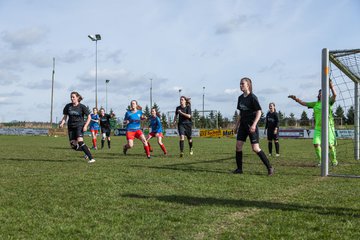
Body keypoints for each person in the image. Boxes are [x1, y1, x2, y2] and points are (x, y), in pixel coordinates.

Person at [288, 79, 337, 166]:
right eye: (320, 92)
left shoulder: (329, 102)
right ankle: (322, 161)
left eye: (323, 92)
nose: (321, 93)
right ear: (318, 95)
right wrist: (295, 99)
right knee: (316, 144)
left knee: (330, 146)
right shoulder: (315, 104)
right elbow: (304, 103)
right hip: (318, 128)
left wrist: (331, 86)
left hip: (329, 127)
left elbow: (335, 95)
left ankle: (334, 161)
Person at [233, 77, 274, 175]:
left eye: (242, 84)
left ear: (248, 85)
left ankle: (270, 167)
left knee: (255, 148)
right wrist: (236, 126)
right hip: (243, 126)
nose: (240, 85)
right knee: (238, 146)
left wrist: (254, 124)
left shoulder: (252, 97)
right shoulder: (240, 98)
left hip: (251, 126)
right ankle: (239, 169)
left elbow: (259, 112)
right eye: (240, 84)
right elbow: (240, 113)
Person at [59, 91, 95, 163]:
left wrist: (85, 126)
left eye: (73, 97)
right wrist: (62, 123)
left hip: (79, 126)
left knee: (80, 141)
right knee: (74, 146)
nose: (72, 98)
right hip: (71, 127)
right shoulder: (68, 106)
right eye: (71, 97)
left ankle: (91, 158)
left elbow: (89, 117)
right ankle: (87, 149)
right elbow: (65, 116)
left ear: (77, 97)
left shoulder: (82, 107)